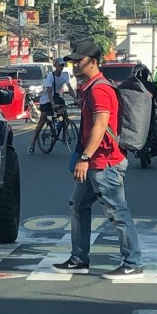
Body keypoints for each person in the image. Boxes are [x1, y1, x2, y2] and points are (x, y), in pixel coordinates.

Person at [52, 40, 144, 279]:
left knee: (117, 213)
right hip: (96, 162)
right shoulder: (90, 87)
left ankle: (133, 263)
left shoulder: (99, 89)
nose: (74, 65)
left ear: (93, 62)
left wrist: (85, 157)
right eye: (72, 62)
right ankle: (79, 259)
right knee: (78, 205)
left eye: (78, 61)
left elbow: (100, 126)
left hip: (105, 162)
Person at [28, 58, 74, 153]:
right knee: (43, 119)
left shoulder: (65, 75)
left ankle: (64, 136)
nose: (61, 67)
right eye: (59, 65)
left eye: (62, 65)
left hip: (57, 97)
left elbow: (69, 88)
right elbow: (49, 91)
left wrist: (75, 99)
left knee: (64, 114)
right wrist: (52, 103)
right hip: (46, 100)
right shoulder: (50, 76)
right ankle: (32, 143)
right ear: (55, 66)